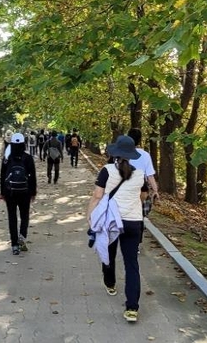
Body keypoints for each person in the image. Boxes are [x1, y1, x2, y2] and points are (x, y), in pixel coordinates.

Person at [87, 135, 147, 323]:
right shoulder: (139, 173)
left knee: (109, 253)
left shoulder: (106, 171)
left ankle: (110, 283)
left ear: (115, 153)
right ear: (131, 155)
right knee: (132, 264)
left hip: (111, 222)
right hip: (134, 222)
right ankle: (132, 308)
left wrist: (90, 216)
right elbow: (143, 195)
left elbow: (97, 196)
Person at [0, 133, 37, 255]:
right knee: (24, 215)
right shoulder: (28, 158)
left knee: (12, 217)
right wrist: (33, 192)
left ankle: (14, 244)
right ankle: (22, 236)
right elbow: (32, 177)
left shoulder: (7, 158)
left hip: (10, 192)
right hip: (25, 192)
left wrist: (2, 192)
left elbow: (2, 176)